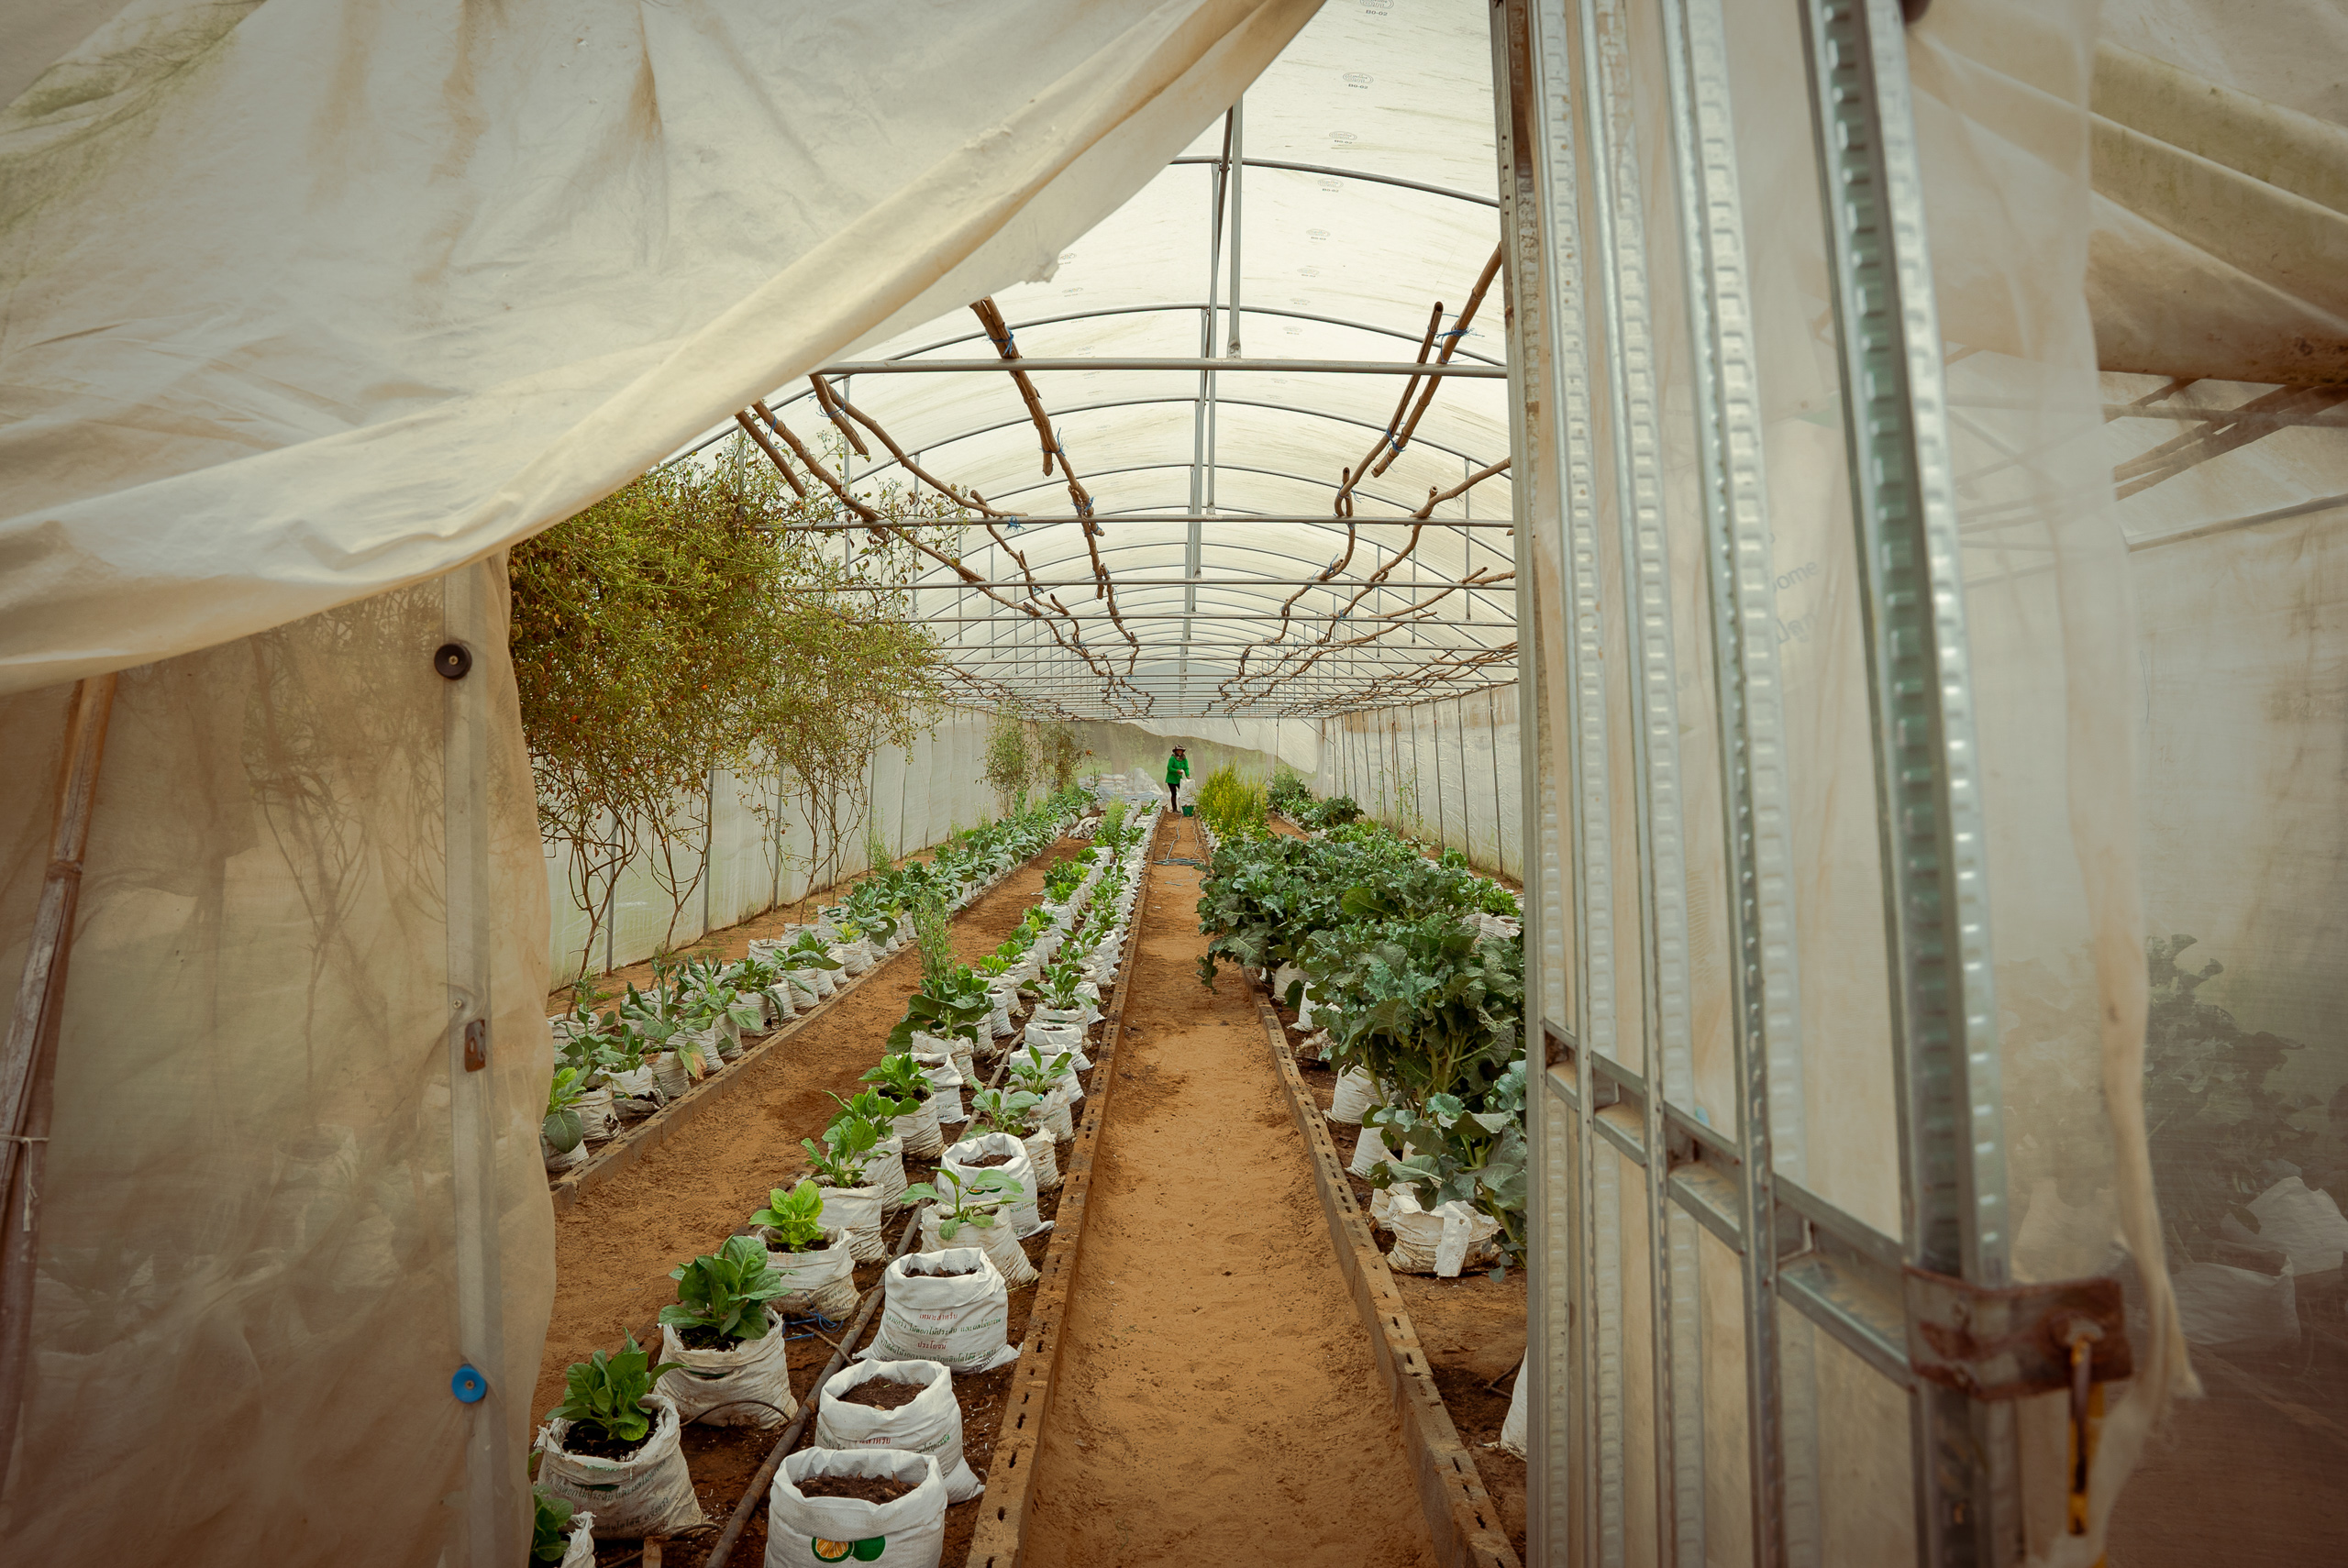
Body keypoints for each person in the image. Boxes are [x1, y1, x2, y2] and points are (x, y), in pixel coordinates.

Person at [1164, 746, 1191, 812]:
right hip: (1171, 779)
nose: (1179, 752)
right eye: (1178, 751)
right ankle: (1174, 809)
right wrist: (1176, 771)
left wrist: (1188, 775)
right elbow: (1169, 768)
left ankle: (1184, 807)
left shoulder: (1184, 759)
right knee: (1174, 793)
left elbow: (1186, 768)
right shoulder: (1172, 759)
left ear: (1182, 752)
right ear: (1175, 751)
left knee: (1183, 793)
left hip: (1179, 779)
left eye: (1180, 751)